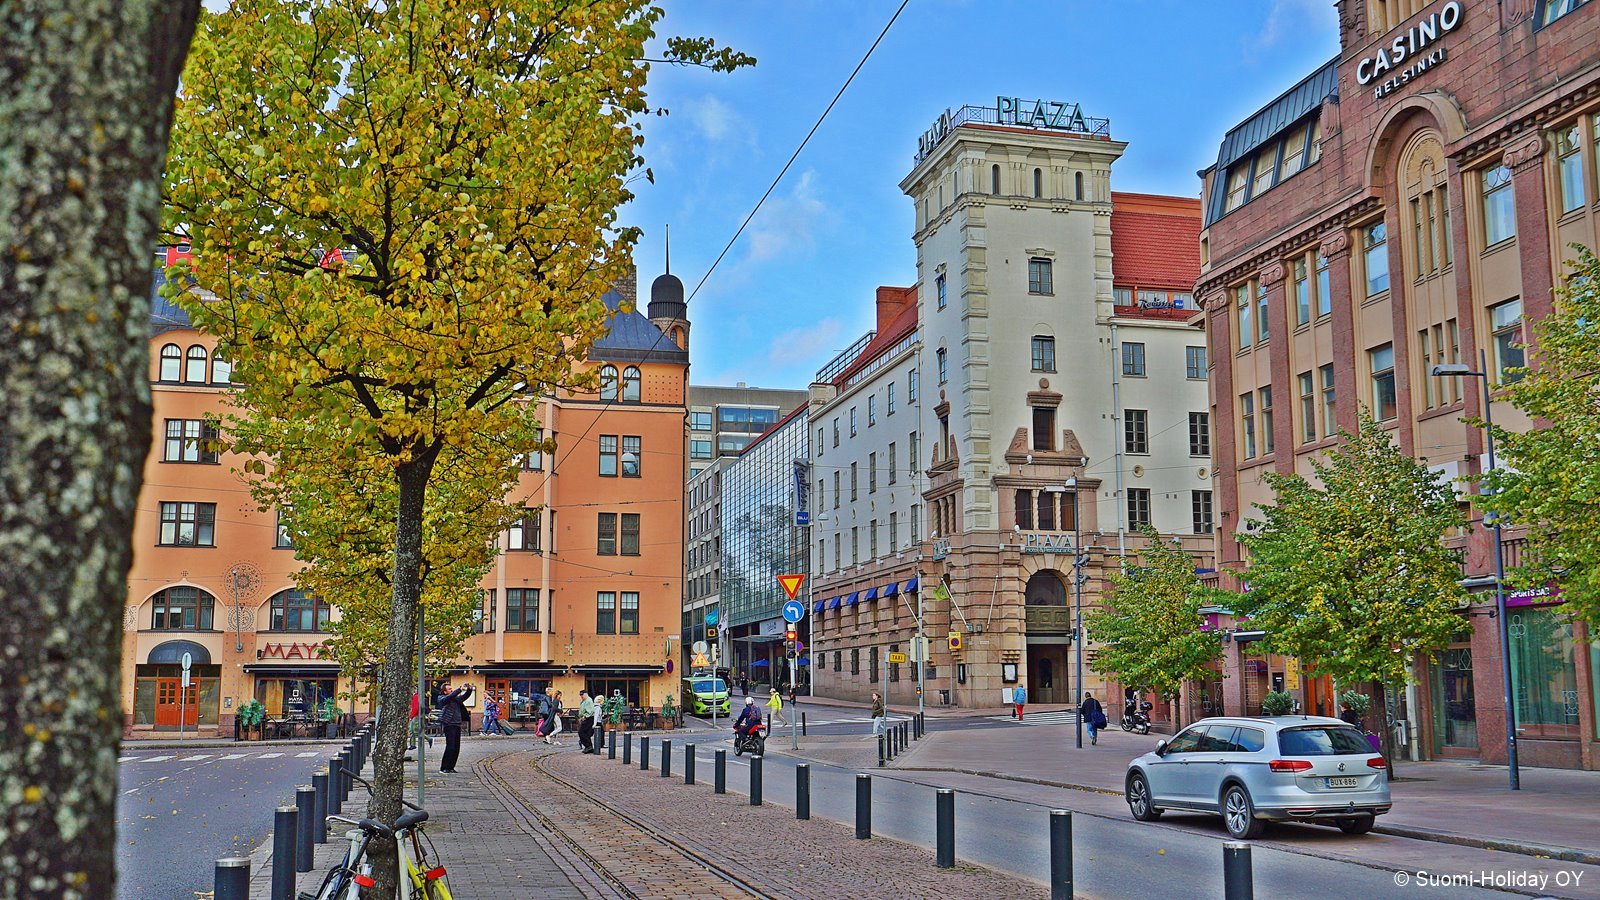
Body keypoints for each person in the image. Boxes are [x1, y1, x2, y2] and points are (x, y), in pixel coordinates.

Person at [435, 682, 474, 773]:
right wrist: (459, 689)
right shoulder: (442, 698)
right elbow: (448, 698)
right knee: (450, 746)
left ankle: (451, 767)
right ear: (444, 692)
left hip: (457, 724)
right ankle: (444, 767)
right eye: (449, 689)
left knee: (456, 747)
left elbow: (464, 697)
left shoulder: (455, 699)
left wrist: (469, 689)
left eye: (452, 689)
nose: (451, 690)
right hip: (449, 724)